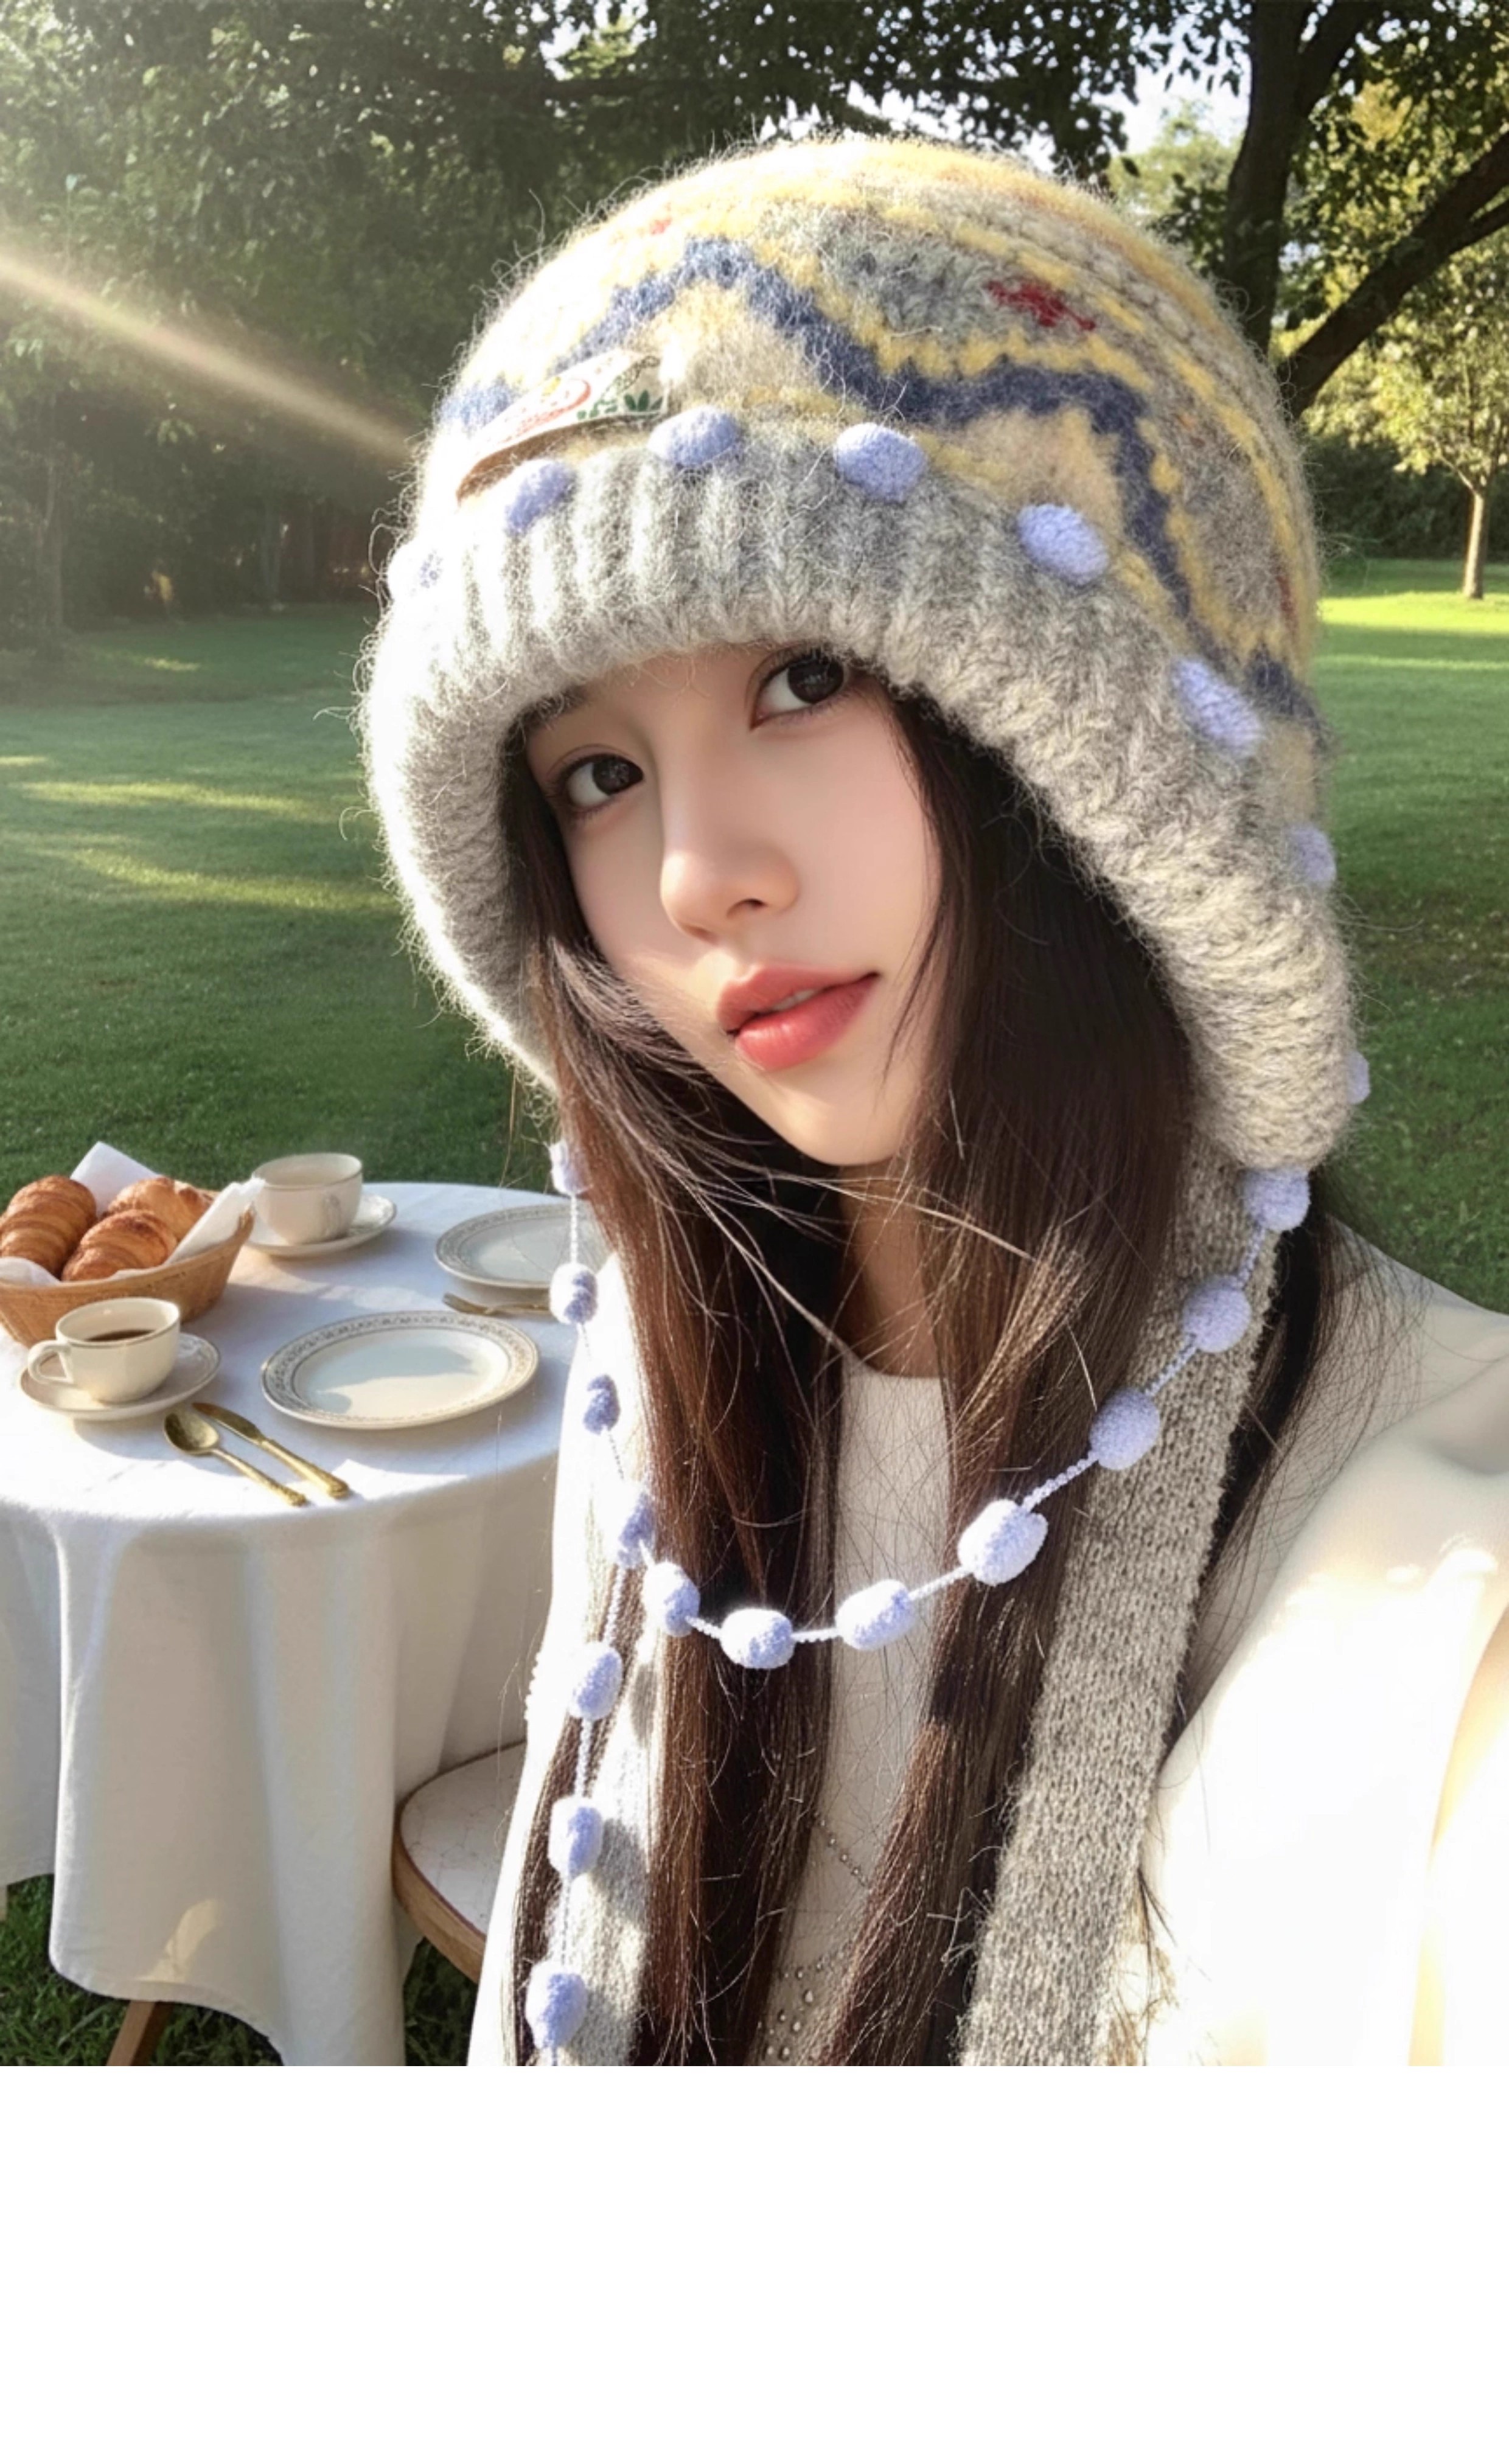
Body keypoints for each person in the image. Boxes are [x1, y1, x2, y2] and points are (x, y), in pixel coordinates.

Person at [363, 132, 1509, 2066]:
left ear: (1120, 774)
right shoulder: (665, 1371)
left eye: (805, 674)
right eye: (596, 775)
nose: (694, 877)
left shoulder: (1429, 1590)